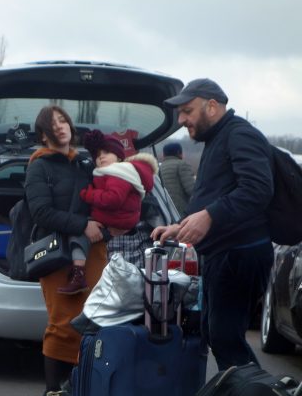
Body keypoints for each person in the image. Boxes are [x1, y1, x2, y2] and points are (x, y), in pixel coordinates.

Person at [152, 78, 274, 371]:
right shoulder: (217, 139)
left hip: (241, 253)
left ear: (212, 106)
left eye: (187, 111)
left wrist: (210, 216)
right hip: (224, 253)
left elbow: (258, 189)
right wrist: (180, 226)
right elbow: (213, 195)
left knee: (225, 338)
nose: (182, 120)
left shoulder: (240, 135)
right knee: (214, 334)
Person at [25, 106, 108, 396]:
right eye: (52, 124)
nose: (60, 127)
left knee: (96, 318)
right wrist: (82, 226)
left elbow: (107, 196)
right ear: (44, 135)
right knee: (63, 323)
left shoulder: (87, 161)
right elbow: (41, 212)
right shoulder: (39, 166)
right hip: (58, 253)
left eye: (63, 121)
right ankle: (52, 392)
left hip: (95, 250)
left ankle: (76, 384)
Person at [59, 130, 157, 294]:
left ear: (119, 157)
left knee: (78, 230)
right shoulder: (115, 173)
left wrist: (87, 194)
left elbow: (113, 199)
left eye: (106, 152)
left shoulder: (119, 173)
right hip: (116, 220)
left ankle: (79, 273)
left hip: (114, 219)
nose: (101, 157)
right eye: (97, 155)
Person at [158, 142, 195, 215]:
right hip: (181, 212)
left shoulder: (159, 168)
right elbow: (192, 190)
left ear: (164, 154)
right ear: (179, 153)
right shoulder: (182, 164)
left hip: (165, 212)